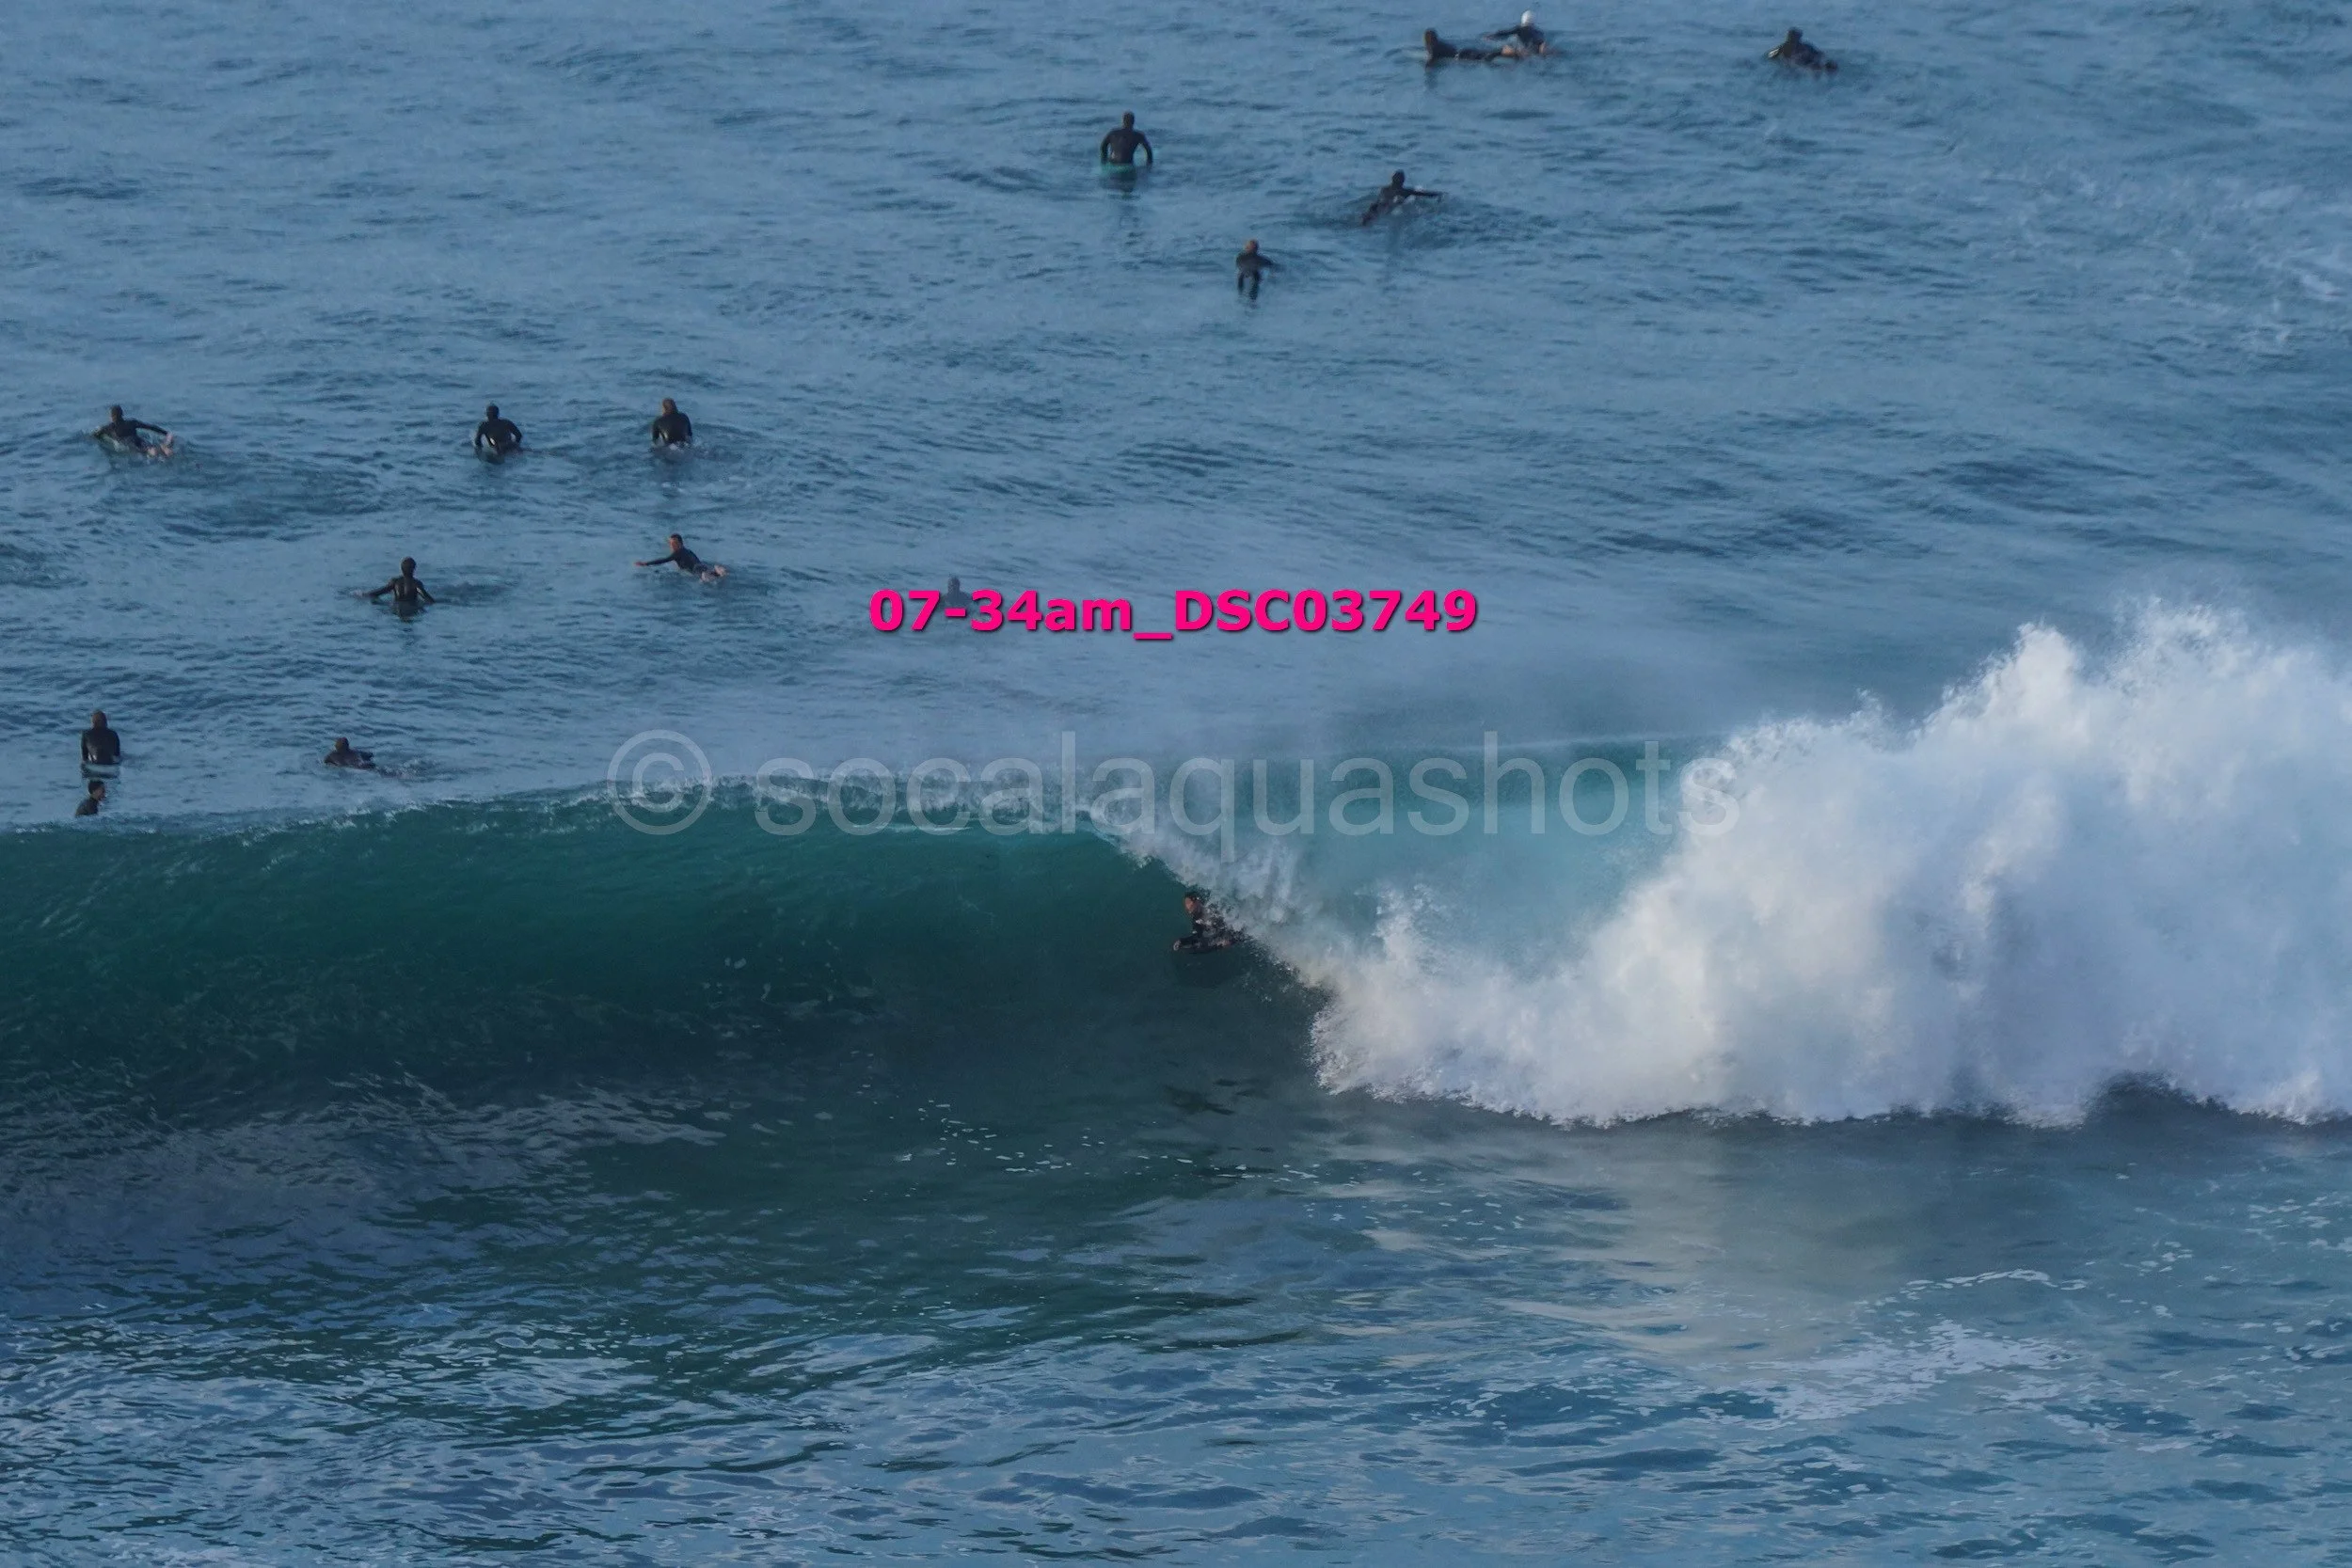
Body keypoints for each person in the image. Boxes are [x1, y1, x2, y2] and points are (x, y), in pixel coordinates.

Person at [1362, 171, 1442, 226]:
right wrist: (1438, 194)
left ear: (1392, 179)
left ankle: (1364, 222)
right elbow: (1424, 194)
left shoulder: (1384, 189)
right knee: (1395, 202)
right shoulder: (1405, 191)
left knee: (1373, 212)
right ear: (1403, 181)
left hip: (1377, 205)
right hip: (1391, 206)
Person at [636, 533, 726, 581]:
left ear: (680, 544)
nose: (672, 546)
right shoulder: (688, 551)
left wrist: (645, 564)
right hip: (702, 566)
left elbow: (664, 560)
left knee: (705, 579)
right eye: (671, 544)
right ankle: (717, 572)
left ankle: (715, 573)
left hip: (696, 570)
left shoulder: (678, 553)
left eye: (675, 544)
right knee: (712, 575)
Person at [1172, 892, 1238, 954]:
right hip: (1221, 933)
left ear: (1197, 901)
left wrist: (1231, 941)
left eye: (1192, 908)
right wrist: (1182, 941)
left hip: (1234, 926)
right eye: (1189, 911)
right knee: (1200, 948)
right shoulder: (1196, 921)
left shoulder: (1210, 905)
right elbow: (1197, 936)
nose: (1190, 912)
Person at [92, 405, 171, 454]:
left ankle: (155, 450)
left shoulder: (109, 427)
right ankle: (164, 448)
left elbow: (95, 435)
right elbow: (150, 427)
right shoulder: (131, 422)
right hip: (138, 439)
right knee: (150, 446)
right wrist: (165, 433)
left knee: (146, 451)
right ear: (122, 414)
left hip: (128, 443)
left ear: (112, 416)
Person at [366, 558, 435, 607]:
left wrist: (363, 594)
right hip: (411, 607)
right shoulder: (416, 584)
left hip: (396, 606)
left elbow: (377, 593)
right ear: (414, 569)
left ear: (401, 568)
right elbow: (428, 599)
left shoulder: (395, 582)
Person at [1766, 28, 1836, 71]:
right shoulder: (1783, 48)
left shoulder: (1783, 48)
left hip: (1802, 63)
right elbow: (1770, 56)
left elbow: (1770, 56)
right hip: (1801, 63)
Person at [1484, 9, 1550, 53]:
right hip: (1535, 49)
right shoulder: (1539, 32)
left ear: (1522, 20)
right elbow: (1540, 39)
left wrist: (1491, 36)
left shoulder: (1519, 29)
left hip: (1523, 51)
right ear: (1534, 22)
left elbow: (1505, 33)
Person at [1424, 28, 1502, 62]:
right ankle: (1502, 52)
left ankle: (1500, 52)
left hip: (1462, 56)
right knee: (1483, 54)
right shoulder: (1440, 42)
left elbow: (1430, 62)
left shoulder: (1434, 48)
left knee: (1485, 58)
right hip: (1463, 51)